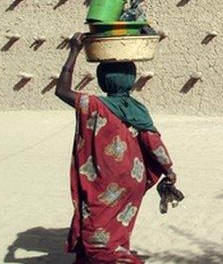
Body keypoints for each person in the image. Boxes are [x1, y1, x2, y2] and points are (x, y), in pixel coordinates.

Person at [55, 33, 184, 263]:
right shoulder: (137, 109)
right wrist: (169, 170)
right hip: (130, 181)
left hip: (101, 182)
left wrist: (74, 51)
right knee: (115, 230)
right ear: (130, 81)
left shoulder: (93, 104)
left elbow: (62, 91)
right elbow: (153, 142)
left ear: (104, 80)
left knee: (101, 242)